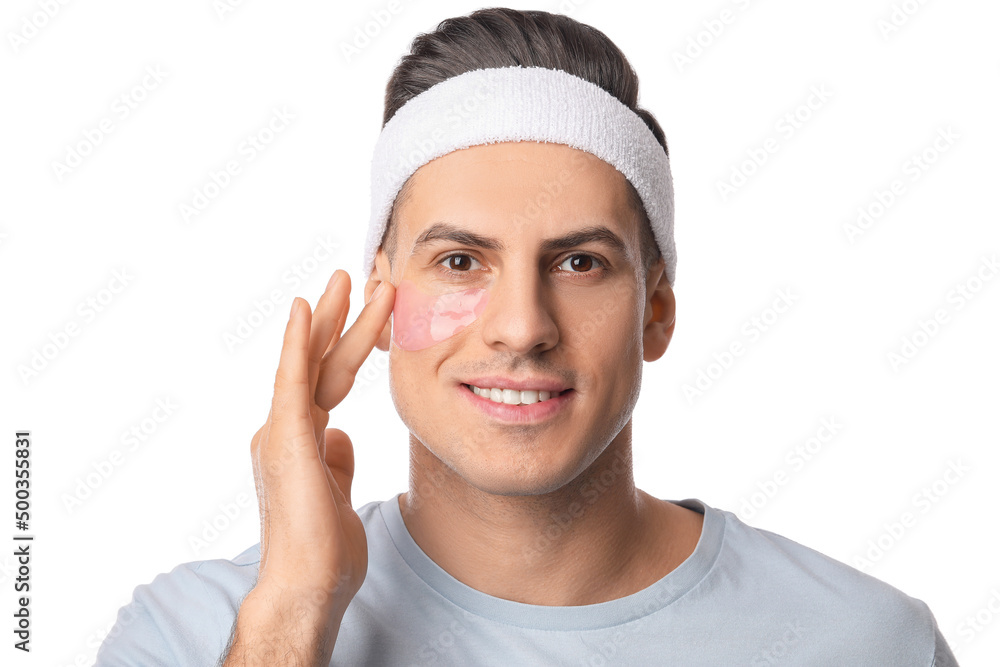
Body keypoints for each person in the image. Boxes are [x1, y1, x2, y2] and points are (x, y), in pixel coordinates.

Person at [96, 8, 958, 666]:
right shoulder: (193, 633)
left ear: (656, 311)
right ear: (381, 305)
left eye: (580, 262)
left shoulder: (864, 642)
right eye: (462, 260)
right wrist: (292, 610)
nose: (521, 327)